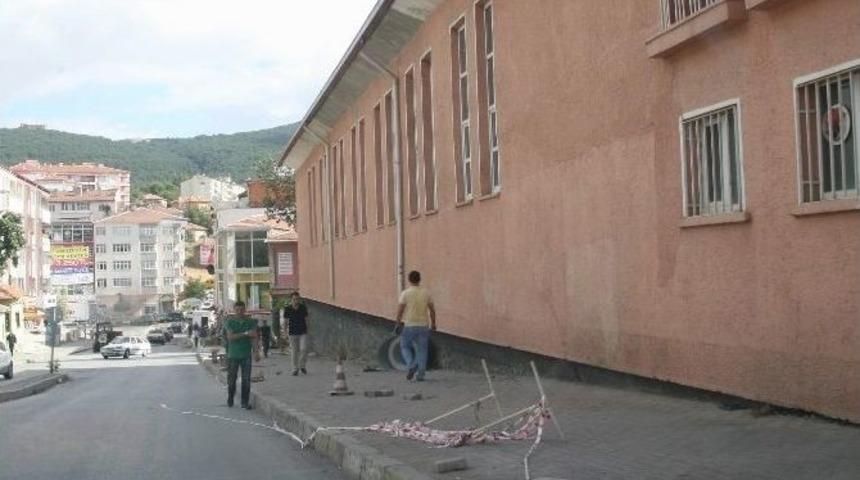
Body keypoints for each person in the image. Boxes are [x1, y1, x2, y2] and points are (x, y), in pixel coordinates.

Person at [395, 270, 436, 381]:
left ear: (409, 280)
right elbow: (432, 310)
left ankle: (411, 365)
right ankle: (421, 374)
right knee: (422, 349)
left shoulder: (405, 293)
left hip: (409, 325)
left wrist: (398, 323)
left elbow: (400, 310)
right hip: (423, 325)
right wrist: (433, 323)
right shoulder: (426, 293)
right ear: (419, 279)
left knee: (405, 346)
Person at [225, 301, 258, 409]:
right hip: (233, 355)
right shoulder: (229, 322)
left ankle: (245, 402)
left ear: (245, 310)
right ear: (234, 310)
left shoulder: (251, 322)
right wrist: (245, 333)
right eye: (237, 310)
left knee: (246, 379)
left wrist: (256, 352)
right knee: (231, 379)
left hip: (246, 354)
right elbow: (230, 337)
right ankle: (230, 397)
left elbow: (254, 337)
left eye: (242, 309)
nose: (239, 312)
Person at [283, 292, 309, 376]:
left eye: (297, 299)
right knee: (294, 351)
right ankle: (295, 369)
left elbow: (307, 319)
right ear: (291, 300)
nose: (296, 301)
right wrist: (285, 332)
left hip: (303, 332)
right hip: (292, 333)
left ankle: (302, 365)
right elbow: (285, 322)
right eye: (294, 299)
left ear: (299, 299)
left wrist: (309, 329)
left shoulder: (303, 308)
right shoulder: (287, 309)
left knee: (303, 349)